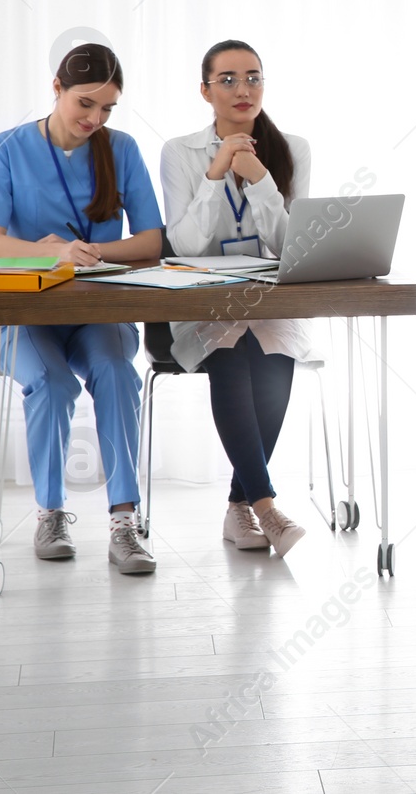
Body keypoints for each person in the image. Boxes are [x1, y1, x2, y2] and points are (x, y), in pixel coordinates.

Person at [0, 42, 163, 574]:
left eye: (107, 108)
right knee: (53, 383)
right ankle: (50, 512)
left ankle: (125, 522)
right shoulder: (8, 147)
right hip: (26, 314)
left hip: (96, 311)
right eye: (85, 103)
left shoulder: (121, 149)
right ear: (55, 89)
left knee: (115, 372)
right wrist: (51, 251)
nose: (94, 118)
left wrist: (96, 252)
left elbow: (150, 241)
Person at [160, 39, 310, 556]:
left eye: (253, 78)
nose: (242, 89)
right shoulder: (180, 152)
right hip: (203, 304)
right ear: (205, 91)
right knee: (230, 352)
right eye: (227, 80)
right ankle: (266, 508)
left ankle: (238, 508)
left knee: (274, 357)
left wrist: (262, 181)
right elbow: (183, 245)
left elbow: (293, 247)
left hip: (269, 302)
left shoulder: (293, 149)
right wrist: (217, 172)